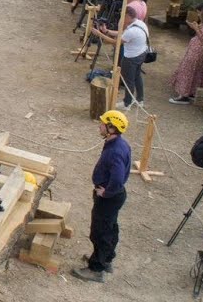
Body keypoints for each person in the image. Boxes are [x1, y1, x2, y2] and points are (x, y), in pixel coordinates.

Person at [72, 110, 131, 283]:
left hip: (108, 198)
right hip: (115, 197)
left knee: (100, 232)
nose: (100, 125)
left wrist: (106, 192)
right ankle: (106, 258)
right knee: (110, 227)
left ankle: (96, 269)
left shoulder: (114, 151)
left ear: (111, 128)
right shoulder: (120, 143)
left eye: (103, 123)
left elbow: (118, 177)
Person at [95, 6, 149, 109]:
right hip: (141, 54)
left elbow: (116, 42)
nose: (121, 19)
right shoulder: (140, 24)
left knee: (129, 80)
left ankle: (127, 103)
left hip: (131, 57)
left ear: (128, 16)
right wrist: (107, 31)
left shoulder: (132, 31)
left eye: (123, 17)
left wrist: (99, 34)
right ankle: (140, 99)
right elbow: (122, 34)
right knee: (137, 76)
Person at [169, 5, 203, 104]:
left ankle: (183, 95)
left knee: (188, 71)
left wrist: (196, 28)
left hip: (199, 51)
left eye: (199, 12)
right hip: (197, 50)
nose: (199, 14)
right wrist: (197, 26)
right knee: (194, 71)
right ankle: (190, 92)